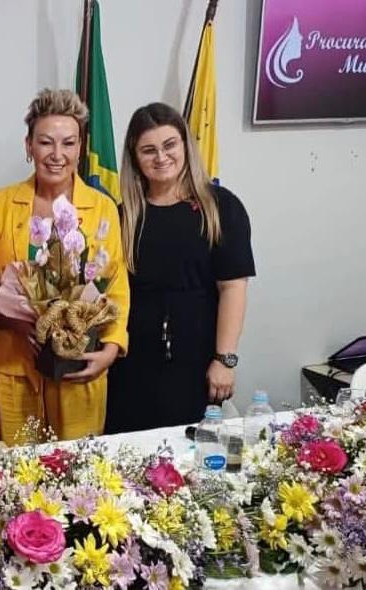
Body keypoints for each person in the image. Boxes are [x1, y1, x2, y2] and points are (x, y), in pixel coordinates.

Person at [0, 88, 129, 445]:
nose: (57, 155)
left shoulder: (102, 207)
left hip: (81, 364)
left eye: (68, 143)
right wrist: (20, 324)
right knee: (18, 471)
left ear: (81, 148)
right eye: (46, 142)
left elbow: (116, 286)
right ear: (29, 145)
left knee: (78, 468)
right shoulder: (1, 204)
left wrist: (110, 350)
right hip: (15, 364)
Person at [106, 103, 255, 433]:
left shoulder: (220, 207)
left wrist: (225, 359)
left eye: (169, 145)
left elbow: (233, 288)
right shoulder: (123, 215)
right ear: (134, 157)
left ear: (185, 145)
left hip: (197, 364)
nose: (161, 157)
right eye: (148, 150)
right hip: (130, 366)